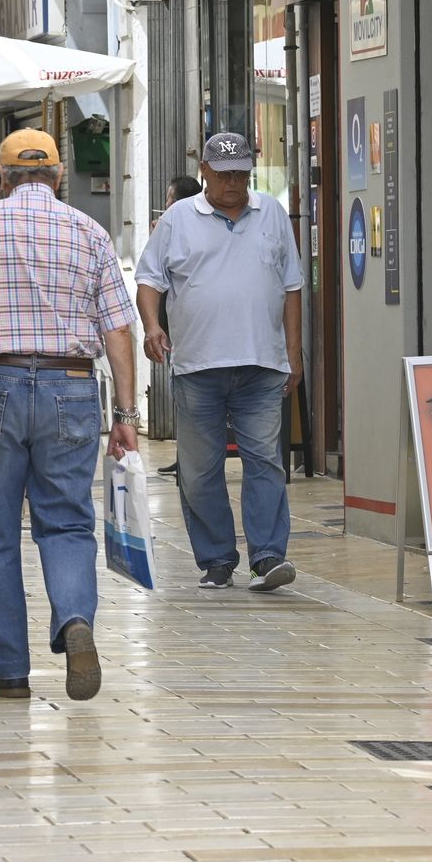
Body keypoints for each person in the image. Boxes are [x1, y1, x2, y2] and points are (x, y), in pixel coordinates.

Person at [0, 130, 140, 702]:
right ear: (58, 174)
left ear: (3, 174)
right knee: (66, 521)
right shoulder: (90, 233)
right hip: (71, 387)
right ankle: (73, 619)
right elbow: (119, 329)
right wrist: (125, 412)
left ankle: (10, 670)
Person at [135, 132, 303, 594]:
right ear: (204, 172)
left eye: (242, 173)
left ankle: (267, 558)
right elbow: (149, 281)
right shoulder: (176, 220)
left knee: (265, 461)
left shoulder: (271, 213)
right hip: (198, 366)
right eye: (224, 173)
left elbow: (292, 287)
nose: (234, 181)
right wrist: (152, 326)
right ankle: (216, 559)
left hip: (262, 364)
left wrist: (295, 352)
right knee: (199, 469)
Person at [144, 174, 203, 477]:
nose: (163, 207)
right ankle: (186, 458)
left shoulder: (186, 230)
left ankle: (191, 460)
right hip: (175, 330)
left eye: (167, 200)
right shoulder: (170, 229)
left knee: (187, 399)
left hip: (189, 335)